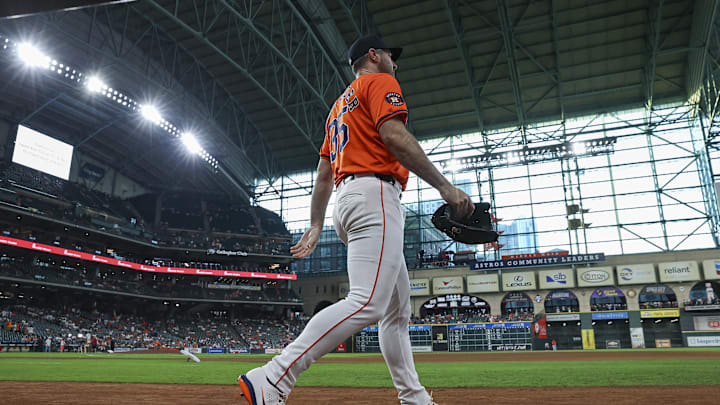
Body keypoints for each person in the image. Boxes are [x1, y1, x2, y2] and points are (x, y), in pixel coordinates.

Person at [237, 34, 474, 405]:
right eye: (391, 56)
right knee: (368, 302)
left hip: (348, 202)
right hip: (374, 195)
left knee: (396, 312)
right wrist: (444, 186)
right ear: (374, 56)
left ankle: (414, 397)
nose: (395, 63)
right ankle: (274, 375)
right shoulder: (380, 82)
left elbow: (323, 175)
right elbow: (393, 134)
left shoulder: (338, 108)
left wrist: (316, 224)